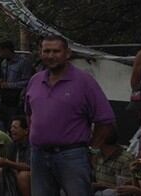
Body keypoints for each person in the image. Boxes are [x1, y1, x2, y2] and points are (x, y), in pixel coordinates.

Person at [26, 34, 115, 196]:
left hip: (72, 156)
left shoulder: (84, 82)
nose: (51, 56)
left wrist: (93, 151)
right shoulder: (35, 80)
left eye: (56, 51)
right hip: (39, 155)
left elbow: (106, 120)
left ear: (67, 53)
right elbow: (30, 114)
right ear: (40, 53)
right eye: (46, 51)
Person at [0, 41, 33, 131]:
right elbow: (2, 78)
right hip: (4, 94)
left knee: (13, 118)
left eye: (0, 50)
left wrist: (10, 85)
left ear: (6, 50)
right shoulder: (4, 63)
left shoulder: (23, 62)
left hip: (16, 95)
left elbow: (28, 81)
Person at [0, 116, 32, 196]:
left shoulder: (31, 144)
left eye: (15, 127)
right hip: (16, 171)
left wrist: (8, 163)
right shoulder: (13, 145)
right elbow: (8, 162)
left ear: (26, 131)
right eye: (11, 127)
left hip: (34, 173)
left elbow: (29, 166)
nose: (11, 130)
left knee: (23, 176)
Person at [91, 129, 136, 196]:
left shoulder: (125, 159)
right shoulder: (97, 155)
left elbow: (126, 190)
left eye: (94, 135)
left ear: (101, 139)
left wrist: (102, 186)